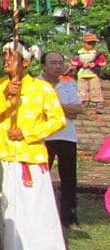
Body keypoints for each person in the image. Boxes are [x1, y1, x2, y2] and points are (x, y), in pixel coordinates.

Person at [0, 42, 69, 250]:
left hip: (31, 155)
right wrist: (5, 95)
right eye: (4, 56)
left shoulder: (42, 88)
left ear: (26, 62)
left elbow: (58, 120)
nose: (6, 60)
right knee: (10, 208)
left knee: (39, 207)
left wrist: (28, 133)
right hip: (5, 155)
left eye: (11, 56)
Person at [41, 50, 82, 234]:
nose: (57, 66)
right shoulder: (37, 85)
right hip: (44, 137)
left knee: (69, 178)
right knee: (41, 177)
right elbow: (39, 111)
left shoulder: (69, 84)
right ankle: (42, 215)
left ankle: (69, 217)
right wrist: (66, 110)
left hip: (67, 136)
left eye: (60, 62)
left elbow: (77, 109)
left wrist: (56, 108)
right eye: (53, 63)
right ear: (44, 65)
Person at [69, 32, 105, 105]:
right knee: (82, 88)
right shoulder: (79, 53)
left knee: (95, 88)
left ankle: (96, 101)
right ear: (84, 43)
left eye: (93, 43)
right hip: (81, 74)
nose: (91, 45)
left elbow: (103, 62)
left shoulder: (97, 53)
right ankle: (83, 101)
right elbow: (73, 61)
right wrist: (82, 64)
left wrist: (95, 64)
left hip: (94, 74)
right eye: (89, 43)